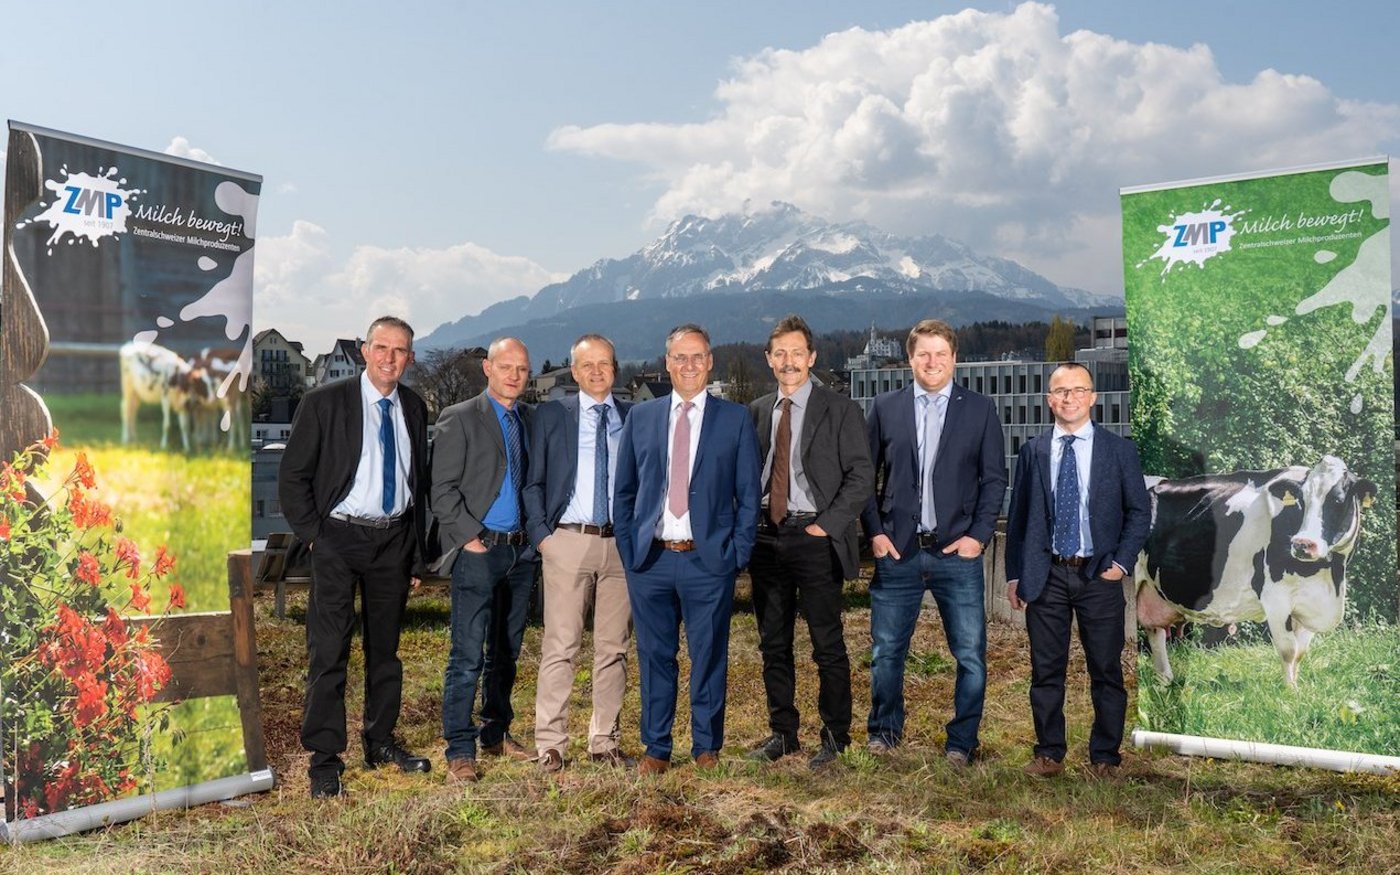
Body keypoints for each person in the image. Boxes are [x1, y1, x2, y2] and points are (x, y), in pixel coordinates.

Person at [279, 315, 432, 799]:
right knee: (329, 651)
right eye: (381, 347)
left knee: (386, 653)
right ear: (365, 351)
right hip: (338, 539)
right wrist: (315, 538)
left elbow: (418, 483)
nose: (390, 358)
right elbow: (293, 477)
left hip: (393, 540)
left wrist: (415, 553)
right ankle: (324, 761)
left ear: (410, 358)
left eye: (400, 350)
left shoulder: (414, 407)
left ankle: (380, 742)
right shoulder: (324, 403)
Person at [612, 323, 761, 774]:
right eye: (680, 357)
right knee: (654, 656)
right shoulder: (641, 417)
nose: (689, 365)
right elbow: (624, 491)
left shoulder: (734, 419)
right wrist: (630, 551)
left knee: (708, 655)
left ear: (710, 362)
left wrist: (736, 554)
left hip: (708, 560)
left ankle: (706, 746)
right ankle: (656, 748)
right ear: (667, 363)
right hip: (651, 560)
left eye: (698, 356)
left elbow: (748, 496)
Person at [860, 318, 1006, 767]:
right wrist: (875, 533)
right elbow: (863, 476)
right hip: (898, 551)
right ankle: (884, 731)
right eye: (923, 353)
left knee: (970, 655)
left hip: (956, 553)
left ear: (954, 359)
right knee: (886, 653)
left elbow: (994, 480)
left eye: (941, 353)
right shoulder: (885, 407)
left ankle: (962, 742)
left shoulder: (979, 410)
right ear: (910, 359)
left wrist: (978, 537)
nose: (932, 361)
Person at [1006, 362, 1151, 778]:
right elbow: (1018, 519)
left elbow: (1138, 512)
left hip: (1098, 574)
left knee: (1105, 669)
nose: (1069, 398)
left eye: (1078, 390)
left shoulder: (1118, 451)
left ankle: (1105, 756)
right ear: (1049, 400)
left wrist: (1120, 564)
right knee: (1045, 670)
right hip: (1046, 575)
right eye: (1061, 391)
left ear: (1093, 398)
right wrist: (1015, 575)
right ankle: (1049, 753)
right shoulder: (1033, 451)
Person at [745, 315, 873, 769]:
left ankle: (836, 737)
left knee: (827, 645)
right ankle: (783, 734)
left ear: (812, 357)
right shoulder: (757, 411)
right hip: (766, 538)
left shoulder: (840, 410)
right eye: (780, 353)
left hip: (815, 538)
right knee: (773, 644)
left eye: (797, 353)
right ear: (768, 359)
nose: (789, 361)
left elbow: (861, 476)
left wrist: (826, 526)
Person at [522, 334, 636, 773]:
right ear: (574, 371)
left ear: (615, 368)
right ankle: (551, 743)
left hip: (620, 545)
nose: (596, 371)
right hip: (568, 540)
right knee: (561, 644)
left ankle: (604, 741)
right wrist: (543, 537)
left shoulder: (633, 416)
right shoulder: (553, 416)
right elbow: (533, 482)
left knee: (614, 648)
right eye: (587, 364)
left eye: (604, 363)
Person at [431, 337, 537, 783]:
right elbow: (441, 490)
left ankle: (496, 732)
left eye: (522, 369)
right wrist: (469, 539)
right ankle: (460, 748)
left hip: (520, 553)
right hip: (479, 550)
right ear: (487, 368)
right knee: (467, 655)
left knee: (506, 650)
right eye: (506, 366)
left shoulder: (529, 419)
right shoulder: (459, 417)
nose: (514, 375)